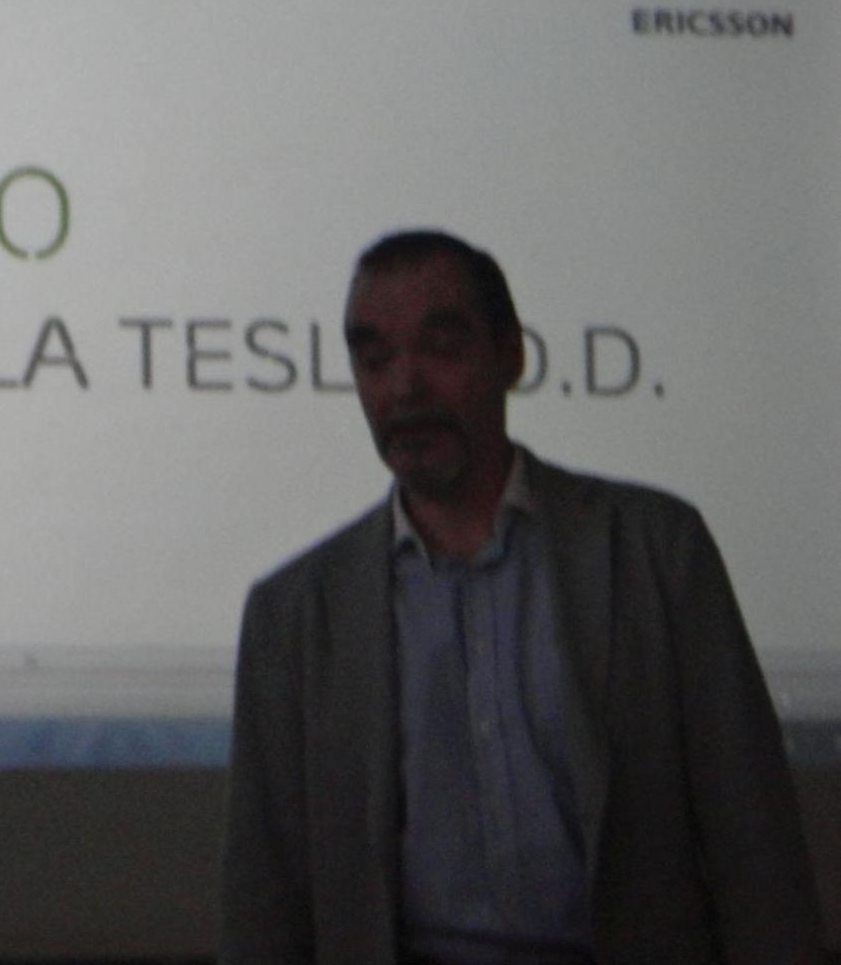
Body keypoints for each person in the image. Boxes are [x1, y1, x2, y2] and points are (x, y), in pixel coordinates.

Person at [218, 229, 822, 965]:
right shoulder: (294, 616)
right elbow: (264, 909)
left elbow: (755, 847)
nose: (404, 386)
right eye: (375, 360)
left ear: (511, 356)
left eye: (440, 348)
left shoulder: (655, 552)